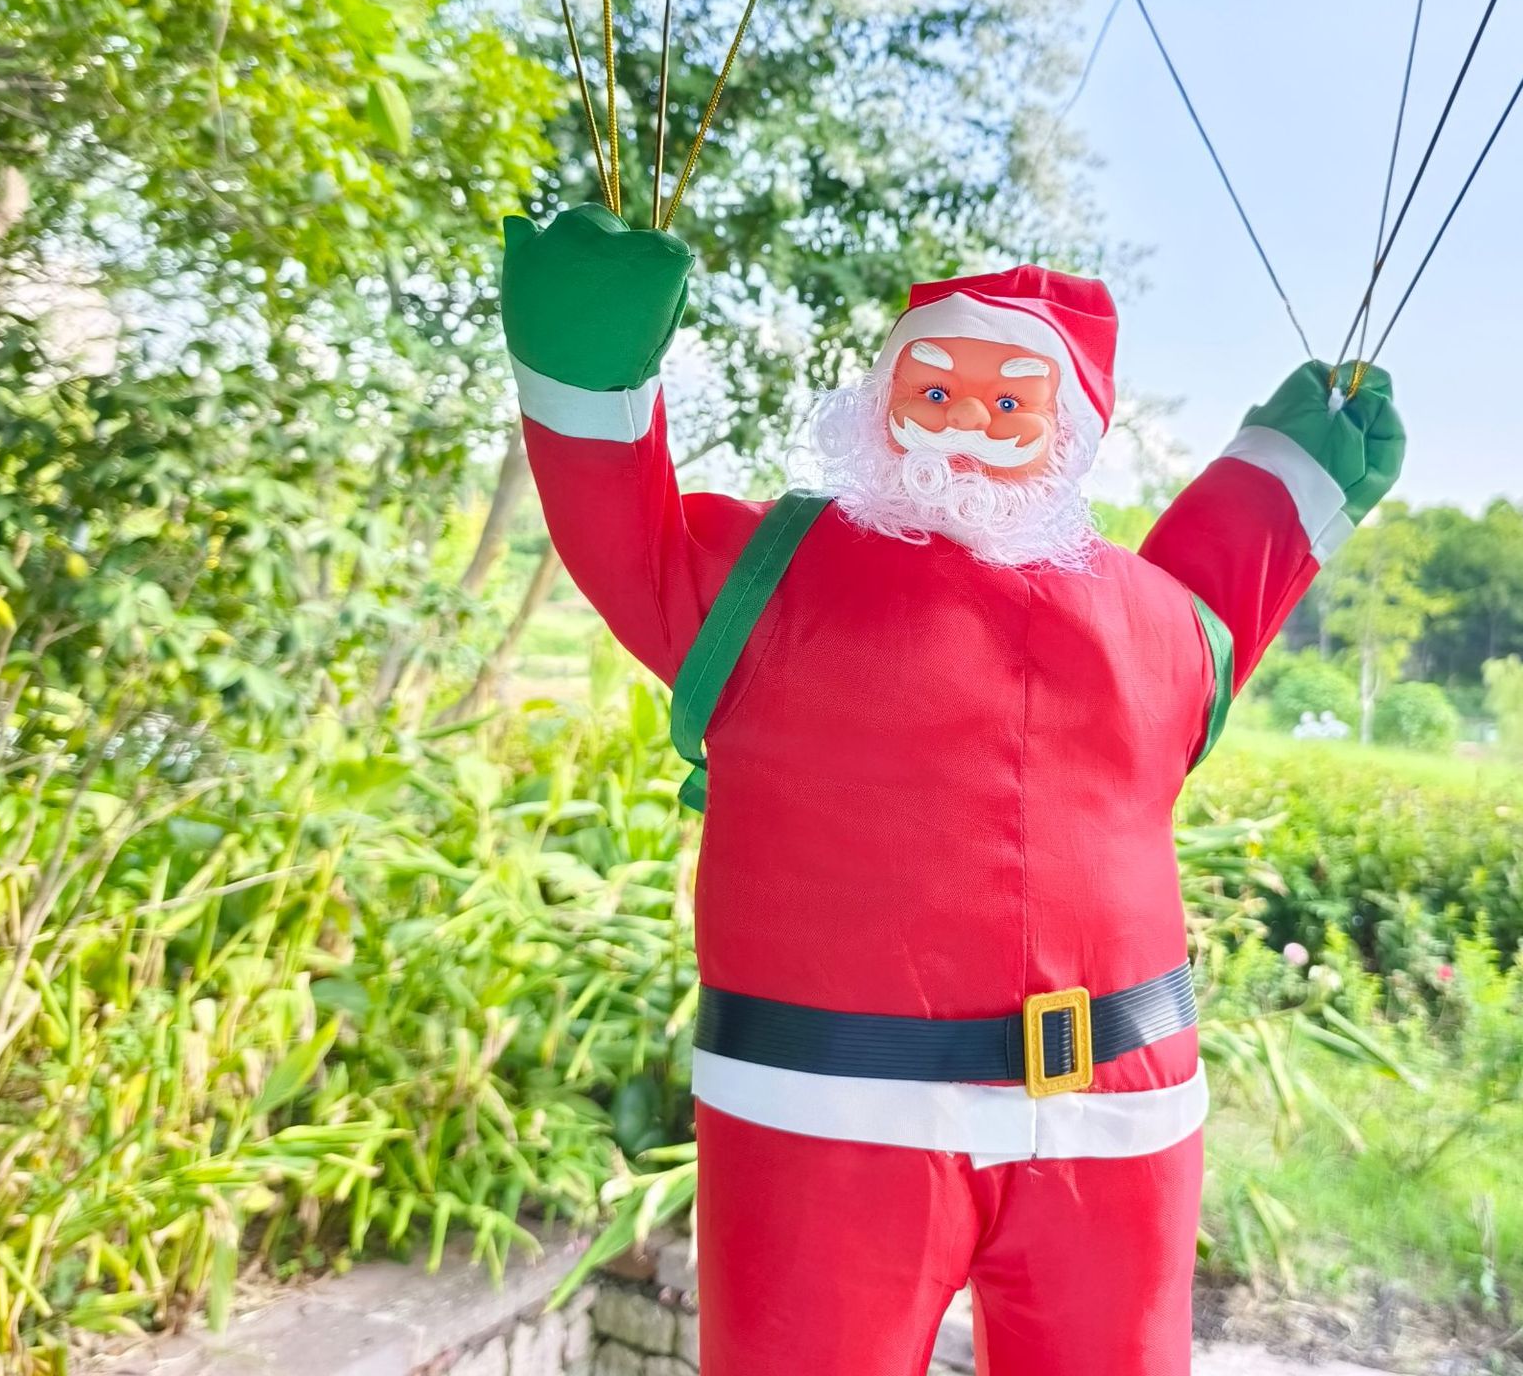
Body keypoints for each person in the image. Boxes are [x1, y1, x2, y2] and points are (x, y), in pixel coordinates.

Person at [500, 206, 1403, 1376]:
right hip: (827, 1109)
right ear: (881, 407)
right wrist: (587, 364)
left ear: (1067, 434)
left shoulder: (1150, 619)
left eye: (1012, 401)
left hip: (1116, 1115)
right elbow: (629, 537)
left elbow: (1219, 593)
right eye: (935, 392)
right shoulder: (767, 578)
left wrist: (1291, 472)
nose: (969, 420)